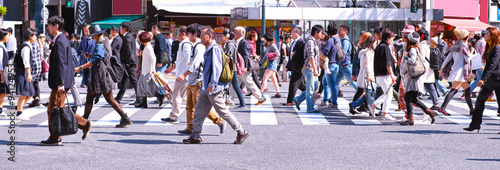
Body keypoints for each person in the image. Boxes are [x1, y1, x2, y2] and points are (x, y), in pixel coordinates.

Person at [183, 27, 248, 144]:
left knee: (223, 112)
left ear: (210, 37)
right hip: (206, 86)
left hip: (214, 87)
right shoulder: (208, 48)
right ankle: (196, 135)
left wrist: (212, 84)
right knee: (199, 111)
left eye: (203, 36)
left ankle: (241, 131)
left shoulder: (215, 49)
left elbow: (216, 68)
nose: (201, 38)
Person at [41, 16, 91, 146]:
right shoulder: (60, 40)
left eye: (49, 25)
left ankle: (55, 136)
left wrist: (61, 83)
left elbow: (62, 64)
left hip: (61, 82)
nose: (48, 27)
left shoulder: (61, 41)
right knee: (57, 108)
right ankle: (82, 125)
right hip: (61, 81)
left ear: (56, 26)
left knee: (53, 109)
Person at [74, 25, 132, 128]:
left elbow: (95, 60)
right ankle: (124, 117)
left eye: (93, 36)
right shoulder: (105, 41)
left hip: (99, 76)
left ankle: (84, 120)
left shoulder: (100, 44)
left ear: (96, 35)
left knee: (91, 98)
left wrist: (80, 68)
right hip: (104, 75)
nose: (92, 38)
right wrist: (90, 55)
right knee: (107, 98)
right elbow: (101, 57)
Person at [175, 24, 226, 135]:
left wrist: (184, 75)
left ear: (195, 34)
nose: (188, 36)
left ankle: (219, 120)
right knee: (189, 106)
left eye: (189, 34)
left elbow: (195, 63)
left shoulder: (199, 46)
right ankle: (190, 127)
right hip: (192, 79)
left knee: (199, 106)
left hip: (199, 79)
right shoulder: (194, 45)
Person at [464, 27, 500, 133]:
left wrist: (483, 79)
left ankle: (475, 124)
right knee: (480, 101)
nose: (485, 35)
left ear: (493, 35)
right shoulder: (490, 46)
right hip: (490, 79)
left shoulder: (497, 47)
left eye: (487, 33)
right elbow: (489, 65)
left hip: (498, 79)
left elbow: (493, 65)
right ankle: (475, 124)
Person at [400, 32, 436, 125]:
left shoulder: (412, 49)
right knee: (412, 98)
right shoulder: (417, 48)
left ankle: (410, 118)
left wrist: (406, 57)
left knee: (408, 97)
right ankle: (429, 112)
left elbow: (412, 61)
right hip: (417, 76)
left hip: (414, 78)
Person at [439, 28, 474, 116]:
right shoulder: (464, 47)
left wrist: (442, 69)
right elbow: (467, 59)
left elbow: (448, 59)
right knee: (454, 90)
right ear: (466, 37)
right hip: (461, 71)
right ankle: (442, 108)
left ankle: (472, 109)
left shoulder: (454, 46)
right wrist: (472, 52)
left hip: (456, 69)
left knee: (467, 89)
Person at [161, 25, 191, 123]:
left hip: (183, 75)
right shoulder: (184, 43)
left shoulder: (185, 44)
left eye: (177, 34)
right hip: (183, 74)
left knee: (177, 95)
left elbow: (189, 59)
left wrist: (185, 73)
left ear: (183, 34)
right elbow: (179, 61)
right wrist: (171, 68)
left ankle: (174, 116)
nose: (175, 36)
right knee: (187, 97)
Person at [293, 25, 323, 113]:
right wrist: (314, 69)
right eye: (321, 33)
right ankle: (310, 108)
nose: (322, 35)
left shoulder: (315, 42)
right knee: (310, 89)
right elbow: (311, 57)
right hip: (309, 68)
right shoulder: (310, 42)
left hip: (313, 68)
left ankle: (298, 99)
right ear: (316, 32)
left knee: (315, 88)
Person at [234, 26, 266, 105]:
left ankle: (260, 97)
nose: (233, 34)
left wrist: (244, 66)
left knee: (248, 82)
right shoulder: (238, 41)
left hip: (242, 67)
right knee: (235, 83)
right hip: (239, 66)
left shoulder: (243, 42)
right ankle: (229, 99)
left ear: (239, 34)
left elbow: (246, 55)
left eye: (235, 32)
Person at [371, 28, 396, 120]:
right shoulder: (384, 47)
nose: (392, 40)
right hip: (385, 75)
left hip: (379, 74)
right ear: (388, 38)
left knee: (387, 93)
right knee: (388, 94)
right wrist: (392, 75)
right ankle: (384, 113)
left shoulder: (379, 46)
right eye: (392, 38)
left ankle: (374, 105)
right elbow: (388, 63)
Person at [14, 28, 39, 118]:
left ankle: (18, 108)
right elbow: (26, 62)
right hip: (23, 72)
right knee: (24, 94)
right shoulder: (26, 47)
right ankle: (19, 112)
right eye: (35, 36)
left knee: (30, 93)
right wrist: (29, 74)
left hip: (24, 72)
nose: (36, 37)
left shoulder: (27, 45)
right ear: (30, 36)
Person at [349, 32, 374, 115]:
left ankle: (360, 106)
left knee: (361, 91)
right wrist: (354, 74)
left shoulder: (362, 49)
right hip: (365, 74)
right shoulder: (365, 51)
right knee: (368, 92)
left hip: (361, 73)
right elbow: (358, 63)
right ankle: (355, 105)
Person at [114, 22, 139, 104]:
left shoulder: (127, 37)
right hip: (128, 62)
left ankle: (139, 99)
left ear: (124, 29)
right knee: (124, 80)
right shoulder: (130, 36)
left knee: (134, 81)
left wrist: (128, 62)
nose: (119, 30)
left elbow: (128, 51)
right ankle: (118, 98)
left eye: (120, 28)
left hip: (129, 62)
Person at [223, 28, 246, 108]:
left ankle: (242, 103)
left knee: (236, 86)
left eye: (223, 35)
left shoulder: (230, 45)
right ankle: (240, 102)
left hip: (231, 68)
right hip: (232, 68)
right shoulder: (231, 43)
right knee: (235, 86)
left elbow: (228, 57)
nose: (222, 36)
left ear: (227, 36)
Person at [283, 27, 306, 106]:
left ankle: (290, 100)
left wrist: (294, 54)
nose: (292, 34)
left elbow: (300, 54)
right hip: (295, 65)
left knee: (293, 83)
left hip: (299, 66)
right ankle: (311, 93)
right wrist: (288, 66)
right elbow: (291, 56)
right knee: (300, 84)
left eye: (293, 32)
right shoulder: (294, 42)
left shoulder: (301, 42)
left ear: (298, 33)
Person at [418, 28, 440, 111]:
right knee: (429, 86)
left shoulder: (422, 46)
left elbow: (422, 58)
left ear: (421, 36)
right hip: (428, 68)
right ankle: (436, 103)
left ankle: (435, 103)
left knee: (425, 85)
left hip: (424, 68)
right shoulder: (426, 45)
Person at [336, 25, 357, 97]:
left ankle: (363, 95)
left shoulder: (345, 41)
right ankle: (333, 99)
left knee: (352, 82)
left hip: (345, 66)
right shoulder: (342, 40)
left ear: (345, 31)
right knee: (335, 83)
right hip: (341, 66)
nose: (339, 31)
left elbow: (343, 53)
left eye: (341, 29)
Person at [321, 23, 339, 108]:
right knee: (325, 82)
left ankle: (334, 102)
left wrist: (320, 57)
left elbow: (325, 53)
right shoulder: (338, 40)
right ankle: (325, 100)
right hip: (336, 64)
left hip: (330, 65)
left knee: (331, 85)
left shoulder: (330, 40)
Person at [151, 25, 170, 106]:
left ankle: (162, 95)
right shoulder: (157, 37)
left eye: (152, 29)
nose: (151, 30)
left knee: (159, 78)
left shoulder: (159, 37)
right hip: (159, 60)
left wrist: (160, 61)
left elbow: (161, 50)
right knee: (159, 77)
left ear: (155, 29)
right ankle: (162, 95)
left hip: (161, 61)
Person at [26, 31, 44, 108]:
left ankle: (35, 99)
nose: (36, 37)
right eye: (35, 36)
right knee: (36, 84)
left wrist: (29, 70)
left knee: (31, 84)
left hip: (34, 67)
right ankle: (37, 99)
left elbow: (32, 58)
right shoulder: (37, 43)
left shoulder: (32, 44)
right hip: (38, 66)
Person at [261, 33, 281, 98]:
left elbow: (278, 53)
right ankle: (278, 92)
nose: (263, 40)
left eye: (264, 38)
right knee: (273, 79)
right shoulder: (268, 45)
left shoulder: (272, 45)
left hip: (272, 63)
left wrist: (270, 55)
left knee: (265, 78)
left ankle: (260, 93)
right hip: (270, 63)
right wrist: (261, 63)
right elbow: (265, 56)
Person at [0, 29, 11, 118]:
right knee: (4, 91)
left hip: (3, 71)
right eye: (7, 35)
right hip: (1, 72)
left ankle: (0, 109)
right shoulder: (0, 47)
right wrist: (2, 74)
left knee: (3, 91)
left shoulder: (3, 45)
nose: (8, 37)